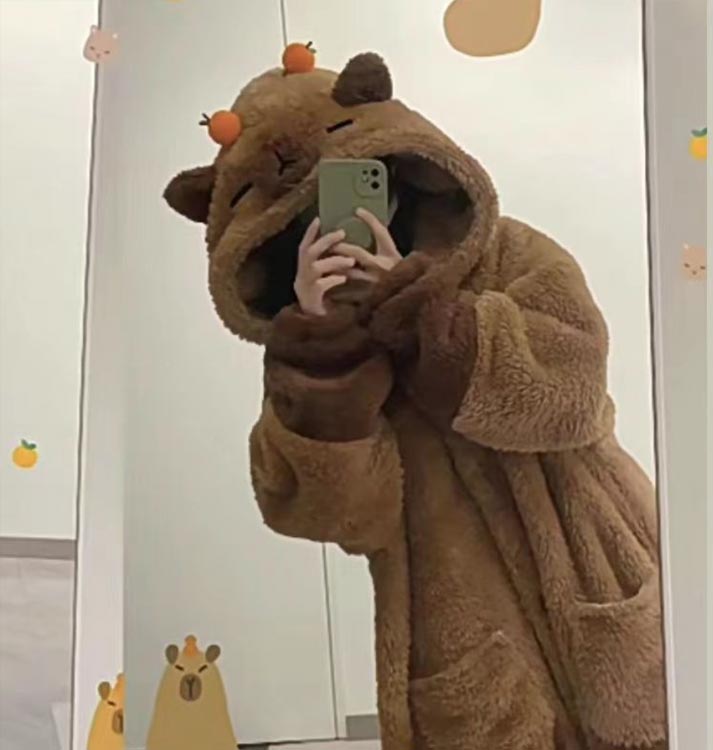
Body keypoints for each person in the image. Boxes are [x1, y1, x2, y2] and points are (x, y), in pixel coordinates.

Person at [165, 51, 667, 750]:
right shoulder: (313, 339)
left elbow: (572, 392)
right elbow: (333, 516)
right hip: (461, 629)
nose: (333, 215)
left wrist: (426, 318)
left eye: (351, 182)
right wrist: (325, 347)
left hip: (597, 563)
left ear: (394, 163)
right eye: (301, 210)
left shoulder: (510, 252)